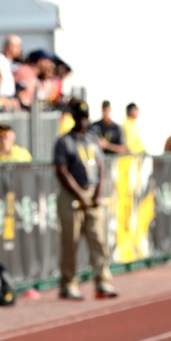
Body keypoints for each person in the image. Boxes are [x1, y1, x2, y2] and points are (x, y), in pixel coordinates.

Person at [54, 99, 117, 300]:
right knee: (71, 241)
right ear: (73, 118)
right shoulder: (65, 141)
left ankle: (103, 281)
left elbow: (100, 166)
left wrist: (99, 192)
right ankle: (69, 283)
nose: (83, 121)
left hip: (92, 192)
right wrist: (79, 194)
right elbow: (62, 170)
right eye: (79, 117)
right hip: (72, 195)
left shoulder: (92, 139)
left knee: (98, 239)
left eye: (85, 117)